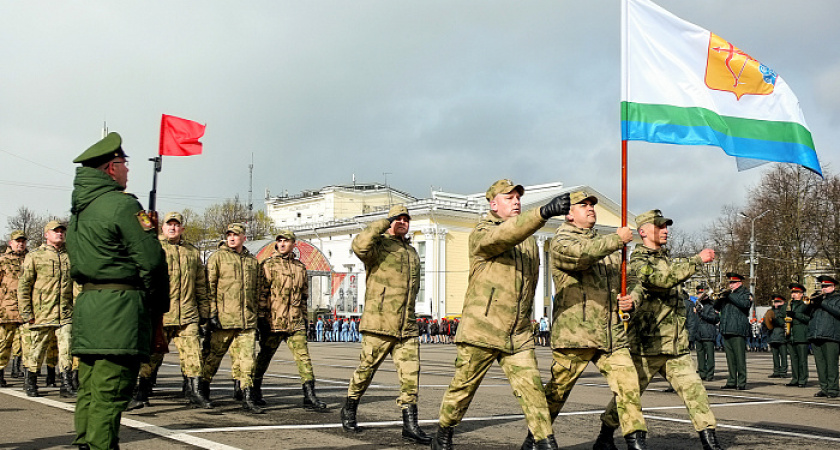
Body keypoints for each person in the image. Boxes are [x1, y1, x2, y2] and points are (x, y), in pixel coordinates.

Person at [432, 180, 570, 450]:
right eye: (509, 197)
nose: (516, 201)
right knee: (462, 389)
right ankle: (444, 433)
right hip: (483, 328)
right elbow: (503, 237)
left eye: (518, 197)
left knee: (533, 392)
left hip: (517, 333)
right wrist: (543, 212)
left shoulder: (528, 241)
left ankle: (543, 442)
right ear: (493, 204)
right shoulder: (482, 232)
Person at [521, 190, 647, 450]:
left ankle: (633, 442)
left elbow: (632, 279)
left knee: (629, 387)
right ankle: (534, 440)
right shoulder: (561, 241)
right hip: (576, 334)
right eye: (583, 205)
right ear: (569, 213)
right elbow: (582, 256)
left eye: (592, 204)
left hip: (610, 334)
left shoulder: (608, 244)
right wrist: (615, 239)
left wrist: (632, 297)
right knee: (556, 394)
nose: (590, 208)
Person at [67, 132, 169, 450]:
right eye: (124, 164)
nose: (128, 171)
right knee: (110, 395)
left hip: (88, 309)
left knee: (90, 390)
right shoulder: (123, 206)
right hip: (121, 313)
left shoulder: (78, 214)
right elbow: (151, 263)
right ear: (111, 168)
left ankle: (85, 444)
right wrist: (157, 311)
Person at [600, 209, 723, 450]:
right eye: (659, 226)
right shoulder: (637, 262)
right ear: (643, 232)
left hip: (675, 346)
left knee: (695, 393)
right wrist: (697, 260)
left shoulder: (668, 259)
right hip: (648, 345)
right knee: (628, 396)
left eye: (666, 226)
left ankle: (710, 441)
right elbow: (662, 279)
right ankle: (605, 436)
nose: (665, 230)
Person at [340, 204, 430, 444]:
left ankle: (410, 426)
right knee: (366, 371)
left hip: (406, 327)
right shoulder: (378, 246)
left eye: (406, 219)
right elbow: (359, 245)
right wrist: (383, 222)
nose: (402, 222)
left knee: (411, 377)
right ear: (389, 221)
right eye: (397, 219)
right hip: (379, 323)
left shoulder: (411, 252)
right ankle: (349, 408)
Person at [126, 212, 213, 410]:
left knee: (193, 355)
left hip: (188, 314)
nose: (173, 228)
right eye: (169, 225)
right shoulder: (154, 248)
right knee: (151, 356)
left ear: (182, 228)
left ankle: (196, 392)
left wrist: (205, 312)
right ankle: (141, 393)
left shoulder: (192, 252)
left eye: (176, 225)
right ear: (162, 228)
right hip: (161, 314)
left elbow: (200, 284)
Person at [254, 230, 327, 410]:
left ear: (293, 243)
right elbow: (262, 294)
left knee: (304, 358)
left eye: (286, 241)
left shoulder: (300, 268)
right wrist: (261, 318)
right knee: (264, 357)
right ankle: (254, 389)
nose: (282, 244)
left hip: (295, 321)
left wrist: (305, 319)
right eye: (279, 241)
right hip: (274, 321)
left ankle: (309, 395)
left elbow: (304, 296)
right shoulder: (268, 265)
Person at [203, 222, 264, 413]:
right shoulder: (217, 258)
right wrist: (212, 313)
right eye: (229, 234)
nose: (231, 238)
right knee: (213, 357)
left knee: (248, 360)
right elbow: (209, 288)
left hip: (247, 320)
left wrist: (258, 316)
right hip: (223, 319)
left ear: (244, 238)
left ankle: (247, 396)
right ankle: (202, 388)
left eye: (236, 235)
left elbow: (257, 290)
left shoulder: (252, 262)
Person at [17, 221, 75, 398]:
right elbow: (24, 285)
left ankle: (66, 384)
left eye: (61, 231)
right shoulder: (35, 256)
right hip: (41, 313)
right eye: (55, 231)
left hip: (65, 314)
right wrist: (27, 312)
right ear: (46, 234)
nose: (59, 234)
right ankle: (31, 381)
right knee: (37, 350)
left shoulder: (70, 256)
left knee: (67, 348)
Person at [0, 230, 28, 387]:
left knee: (27, 344)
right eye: (18, 241)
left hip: (26, 310)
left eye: (23, 241)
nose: (21, 244)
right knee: (4, 344)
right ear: (10, 243)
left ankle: (26, 376)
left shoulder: (29, 260)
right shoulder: (3, 261)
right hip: (7, 310)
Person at [715, 272, 752, 390]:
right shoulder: (728, 295)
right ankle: (731, 380)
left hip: (738, 329)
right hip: (727, 329)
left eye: (733, 283)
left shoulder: (745, 293)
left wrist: (729, 296)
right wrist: (720, 298)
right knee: (730, 358)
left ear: (739, 283)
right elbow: (716, 307)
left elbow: (745, 304)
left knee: (739, 357)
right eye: (730, 283)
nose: (730, 285)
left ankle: (741, 381)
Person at [806, 275, 840, 398]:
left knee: (831, 364)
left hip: (831, 335)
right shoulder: (818, 299)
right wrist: (810, 305)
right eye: (823, 286)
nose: (824, 288)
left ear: (833, 286)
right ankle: (824, 388)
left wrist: (823, 303)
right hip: (816, 335)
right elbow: (807, 315)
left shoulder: (837, 298)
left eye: (827, 286)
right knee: (820, 364)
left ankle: (833, 389)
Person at [784, 283, 810, 387]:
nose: (793, 295)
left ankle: (803, 379)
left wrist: (796, 315)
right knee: (794, 359)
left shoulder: (805, 304)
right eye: (792, 293)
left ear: (801, 294)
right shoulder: (789, 305)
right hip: (791, 335)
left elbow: (808, 319)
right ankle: (795, 379)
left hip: (801, 335)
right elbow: (783, 317)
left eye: (796, 292)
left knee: (802, 359)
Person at [695, 286, 720, 381]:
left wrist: (702, 314)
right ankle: (702, 373)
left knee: (710, 356)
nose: (699, 295)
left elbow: (715, 319)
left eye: (701, 294)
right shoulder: (697, 305)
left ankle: (710, 374)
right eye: (698, 294)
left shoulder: (712, 305)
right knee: (700, 356)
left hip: (708, 333)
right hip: (699, 334)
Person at [767, 294, 789, 379]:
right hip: (773, 335)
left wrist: (775, 320)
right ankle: (776, 371)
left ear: (782, 302)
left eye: (778, 302)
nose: (776, 304)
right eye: (775, 302)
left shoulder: (784, 311)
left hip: (781, 335)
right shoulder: (770, 311)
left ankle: (783, 371)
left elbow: (784, 321)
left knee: (783, 355)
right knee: (775, 355)